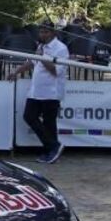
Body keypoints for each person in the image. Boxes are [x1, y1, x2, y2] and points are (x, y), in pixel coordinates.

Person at [9, 21, 69, 163]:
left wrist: (42, 57)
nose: (43, 34)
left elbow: (56, 71)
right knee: (29, 116)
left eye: (46, 32)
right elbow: (32, 62)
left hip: (51, 92)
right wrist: (16, 72)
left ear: (53, 33)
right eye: (41, 32)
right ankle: (54, 147)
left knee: (49, 123)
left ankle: (51, 151)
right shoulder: (41, 46)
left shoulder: (61, 49)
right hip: (36, 91)